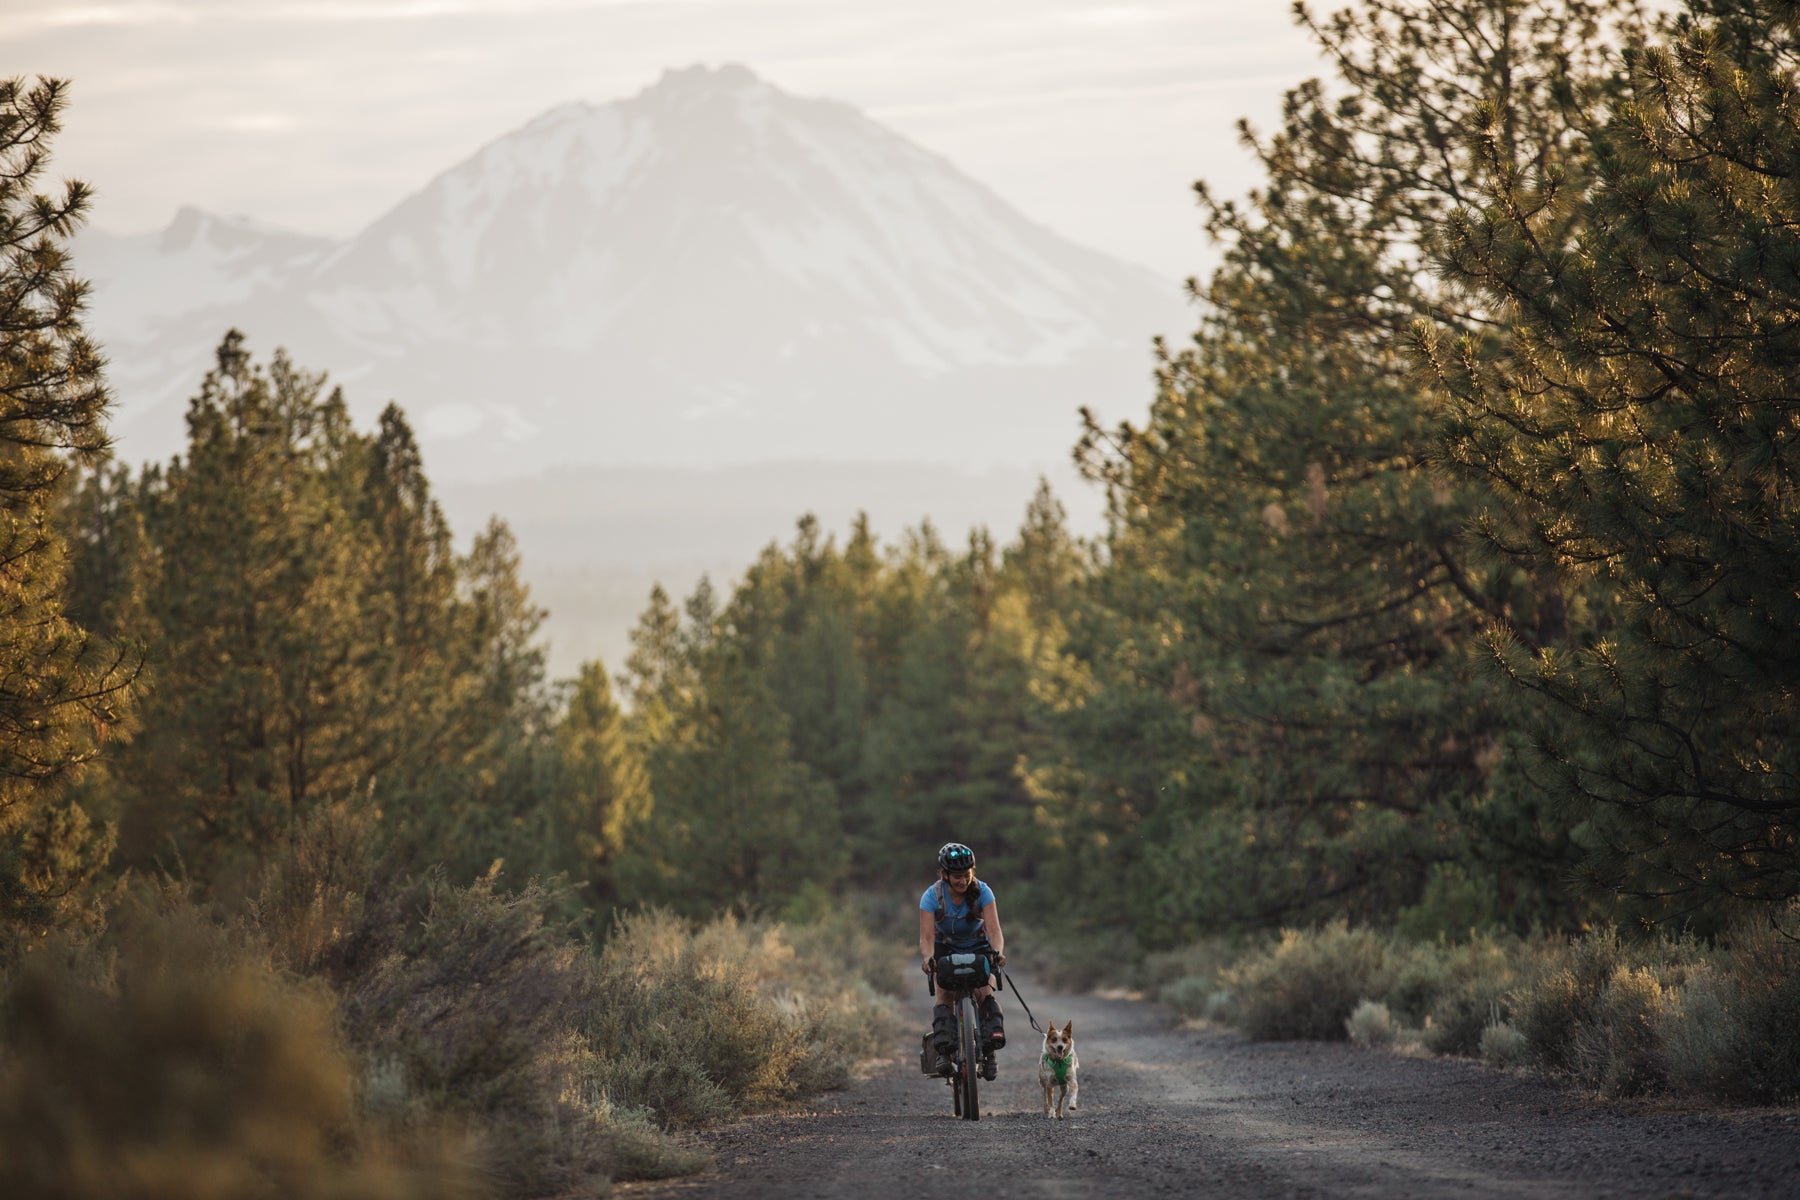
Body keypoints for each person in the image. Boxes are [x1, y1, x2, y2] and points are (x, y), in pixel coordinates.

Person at [918, 841, 1007, 1076]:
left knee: (985, 991)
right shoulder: (932, 897)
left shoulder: (983, 892)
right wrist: (928, 958)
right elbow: (926, 937)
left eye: (966, 875)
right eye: (957, 876)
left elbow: (994, 931)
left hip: (977, 946)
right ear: (945, 875)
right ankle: (945, 1053)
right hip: (944, 948)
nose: (962, 881)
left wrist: (997, 952)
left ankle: (989, 1053)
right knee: (944, 993)